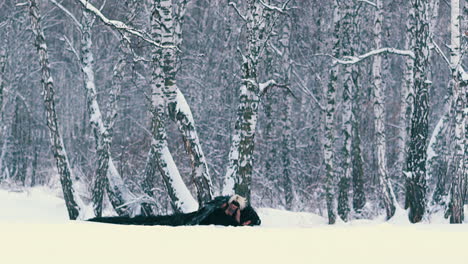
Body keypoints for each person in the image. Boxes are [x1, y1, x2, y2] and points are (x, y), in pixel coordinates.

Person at [88, 194, 261, 227]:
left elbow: (254, 221)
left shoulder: (244, 215)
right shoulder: (221, 205)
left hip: (193, 221)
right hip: (189, 219)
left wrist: (238, 218)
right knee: (153, 221)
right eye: (231, 207)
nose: (231, 209)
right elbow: (204, 212)